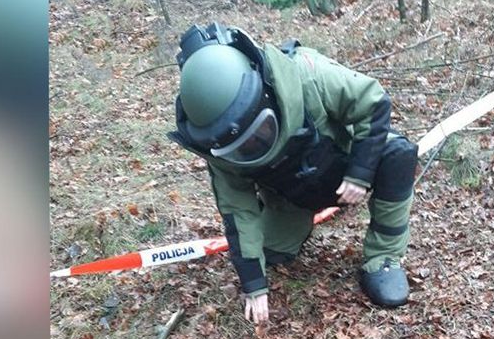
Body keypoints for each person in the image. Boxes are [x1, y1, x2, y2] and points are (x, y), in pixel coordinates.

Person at [168, 22, 417, 323]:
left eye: (260, 131)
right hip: (291, 196)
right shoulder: (218, 150)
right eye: (241, 147)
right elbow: (238, 212)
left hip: (345, 164)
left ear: (266, 94)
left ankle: (384, 259)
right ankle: (289, 231)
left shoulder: (308, 75)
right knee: (269, 254)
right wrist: (254, 284)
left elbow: (372, 103)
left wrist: (360, 173)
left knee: (398, 154)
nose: (254, 146)